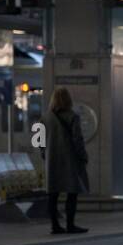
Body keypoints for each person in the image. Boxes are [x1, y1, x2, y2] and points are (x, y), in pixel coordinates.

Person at [43, 87, 89, 235]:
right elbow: (78, 140)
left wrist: (45, 154)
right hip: (69, 160)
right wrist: (83, 156)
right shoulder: (73, 117)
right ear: (69, 99)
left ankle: (55, 225)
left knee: (53, 194)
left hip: (52, 160)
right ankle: (70, 225)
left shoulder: (45, 118)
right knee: (72, 192)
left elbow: (37, 141)